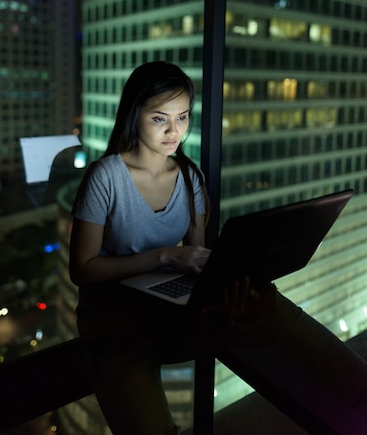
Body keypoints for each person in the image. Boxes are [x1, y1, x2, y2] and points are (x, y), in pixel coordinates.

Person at [69, 61, 367, 435]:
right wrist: (163, 255)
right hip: (117, 326)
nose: (174, 131)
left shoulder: (190, 176)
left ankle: (359, 387)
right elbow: (82, 269)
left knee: (263, 299)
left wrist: (224, 284)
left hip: (172, 310)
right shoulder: (105, 177)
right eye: (160, 118)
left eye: (183, 117)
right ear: (134, 114)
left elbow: (198, 262)